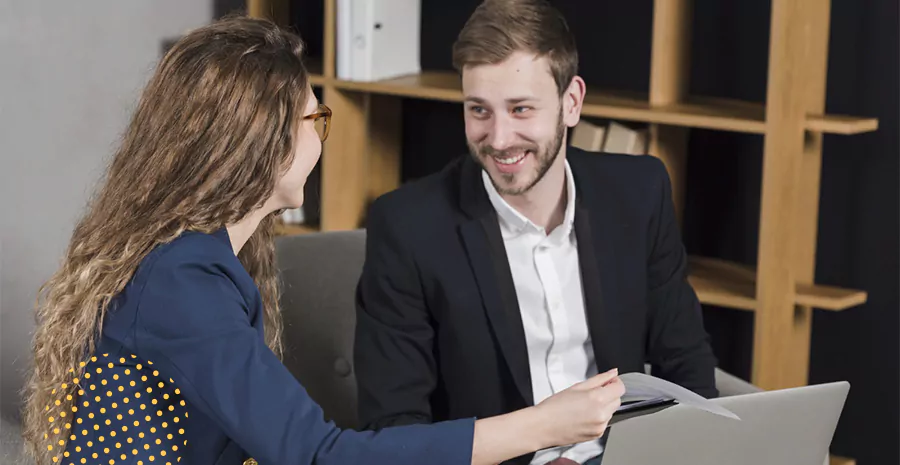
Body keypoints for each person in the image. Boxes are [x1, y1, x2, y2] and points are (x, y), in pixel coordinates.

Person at [20, 15, 627, 465]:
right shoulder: (181, 284)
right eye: (316, 119)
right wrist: (543, 426)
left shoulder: (196, 261)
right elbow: (316, 455)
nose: (322, 139)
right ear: (261, 140)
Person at [353, 1, 719, 464]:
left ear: (572, 103)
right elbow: (394, 430)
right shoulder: (407, 227)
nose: (499, 138)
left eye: (521, 109)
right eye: (479, 111)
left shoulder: (639, 192)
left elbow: (686, 363)